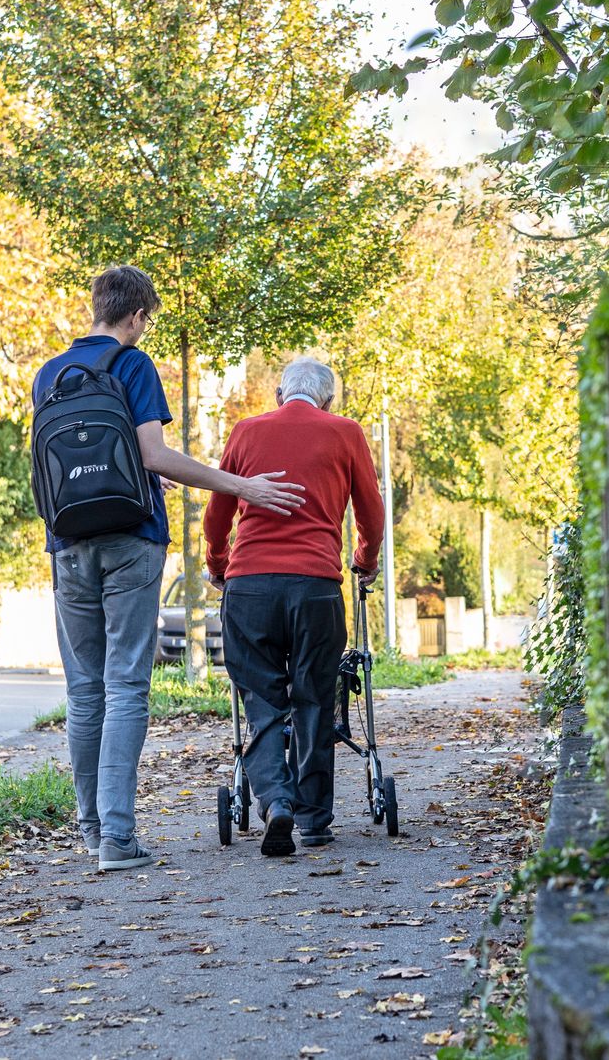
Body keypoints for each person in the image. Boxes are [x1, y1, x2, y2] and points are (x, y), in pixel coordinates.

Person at [32, 265, 306, 871]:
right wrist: (241, 487)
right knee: (127, 683)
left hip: (67, 543)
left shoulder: (49, 373)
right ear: (136, 317)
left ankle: (90, 830)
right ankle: (118, 841)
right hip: (132, 539)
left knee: (84, 691)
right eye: (147, 320)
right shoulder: (132, 365)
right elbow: (154, 457)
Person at [202, 358, 385, 856]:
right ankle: (315, 819)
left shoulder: (246, 431)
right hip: (316, 588)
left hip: (251, 587)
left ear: (280, 394)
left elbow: (217, 513)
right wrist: (364, 562)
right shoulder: (346, 432)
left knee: (261, 700)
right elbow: (370, 510)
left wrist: (218, 564)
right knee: (314, 697)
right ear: (327, 401)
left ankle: (276, 802)